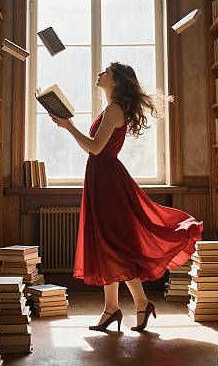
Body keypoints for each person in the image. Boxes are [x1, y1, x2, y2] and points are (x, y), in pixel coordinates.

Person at [49, 62, 203, 332]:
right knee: (109, 244)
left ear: (116, 81)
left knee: (112, 244)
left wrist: (69, 127)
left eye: (105, 72)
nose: (99, 74)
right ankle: (125, 306)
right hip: (103, 178)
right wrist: (69, 126)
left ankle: (120, 308)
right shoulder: (112, 109)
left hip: (107, 180)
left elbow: (95, 148)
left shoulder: (113, 109)